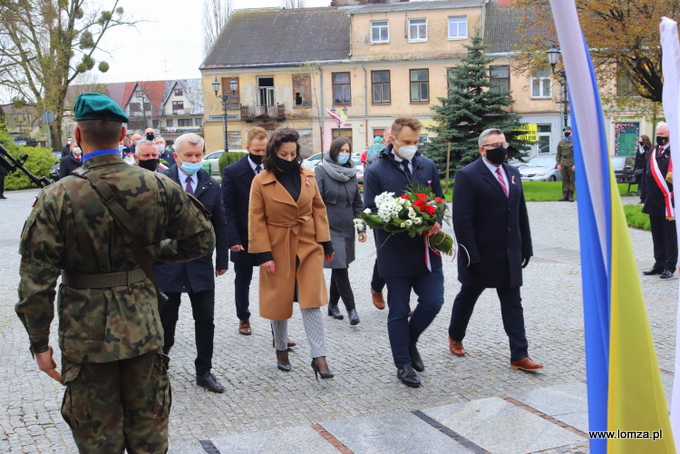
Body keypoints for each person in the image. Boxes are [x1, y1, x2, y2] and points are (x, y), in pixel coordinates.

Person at [15, 92, 216, 452]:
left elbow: (36, 282)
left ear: (78, 137)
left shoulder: (56, 197)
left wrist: (39, 343)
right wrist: (157, 252)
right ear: (123, 135)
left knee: (97, 439)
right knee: (148, 435)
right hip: (143, 325)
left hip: (84, 335)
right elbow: (201, 240)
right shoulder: (158, 185)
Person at [447, 128, 543, 372]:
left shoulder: (512, 173)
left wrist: (526, 246)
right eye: (494, 146)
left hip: (509, 252)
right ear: (482, 149)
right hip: (480, 253)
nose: (500, 149)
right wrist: (470, 254)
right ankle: (455, 335)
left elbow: (520, 212)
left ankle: (519, 354)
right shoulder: (467, 175)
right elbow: (462, 220)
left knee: (513, 302)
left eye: (503, 144)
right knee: (468, 296)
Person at [363, 116, 445, 388]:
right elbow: (370, 212)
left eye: (416, 141)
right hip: (394, 252)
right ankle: (403, 364)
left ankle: (409, 342)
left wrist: (436, 221)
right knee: (399, 310)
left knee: (433, 301)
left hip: (426, 251)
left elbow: (439, 202)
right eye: (407, 142)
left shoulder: (427, 166)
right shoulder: (376, 170)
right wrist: (396, 219)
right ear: (393, 140)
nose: (412, 146)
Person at [248, 128, 335, 379]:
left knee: (311, 300)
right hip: (276, 245)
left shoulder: (308, 175)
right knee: (280, 299)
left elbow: (319, 209)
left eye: (293, 153)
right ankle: (281, 348)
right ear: (274, 152)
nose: (288, 158)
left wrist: (326, 242)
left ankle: (319, 358)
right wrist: (263, 253)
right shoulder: (261, 181)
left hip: (308, 244)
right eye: (283, 154)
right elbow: (256, 218)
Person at [154, 133, 229, 393]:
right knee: (166, 319)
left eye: (198, 155)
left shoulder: (211, 184)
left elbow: (220, 222)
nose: (194, 160)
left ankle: (204, 371)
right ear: (176, 156)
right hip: (168, 264)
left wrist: (222, 258)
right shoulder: (161, 182)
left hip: (200, 263)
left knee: (205, 320)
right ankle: (159, 367)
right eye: (189, 156)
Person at [315, 137, 366, 325]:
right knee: (341, 268)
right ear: (333, 151)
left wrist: (361, 227)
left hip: (348, 229)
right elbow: (316, 203)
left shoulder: (352, 173)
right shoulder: (321, 171)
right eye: (341, 150)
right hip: (329, 229)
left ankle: (332, 305)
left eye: (347, 151)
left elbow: (357, 204)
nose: (344, 154)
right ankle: (352, 309)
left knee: (340, 266)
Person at [223, 127, 267, 335]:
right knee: (243, 279)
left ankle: (278, 327)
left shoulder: (274, 169)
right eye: (257, 151)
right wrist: (232, 238)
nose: (260, 155)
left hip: (269, 235)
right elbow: (227, 208)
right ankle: (244, 317)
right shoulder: (232, 171)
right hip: (242, 235)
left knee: (274, 279)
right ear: (248, 147)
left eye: (264, 151)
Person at [642, 122, 677, 279]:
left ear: (669, 135)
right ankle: (659, 263)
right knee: (656, 234)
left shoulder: (675, 151)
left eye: (663, 135)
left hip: (669, 201)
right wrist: (643, 196)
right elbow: (646, 174)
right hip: (653, 199)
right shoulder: (653, 150)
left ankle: (670, 266)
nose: (660, 137)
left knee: (669, 235)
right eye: (658, 134)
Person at [367, 126, 391, 309]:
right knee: (384, 255)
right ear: (384, 141)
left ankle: (401, 302)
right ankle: (376, 287)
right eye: (390, 138)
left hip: (404, 213)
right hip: (382, 216)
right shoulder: (375, 161)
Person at [556, 125, 575, 202]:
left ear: (571, 131)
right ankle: (565, 195)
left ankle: (571, 195)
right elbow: (558, 154)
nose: (566, 132)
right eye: (565, 131)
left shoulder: (574, 142)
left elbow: (577, 154)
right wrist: (558, 164)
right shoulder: (561, 142)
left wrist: (575, 164)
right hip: (563, 162)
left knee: (571, 179)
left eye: (568, 131)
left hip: (571, 162)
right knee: (565, 179)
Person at [634, 134, 652, 203]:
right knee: (640, 184)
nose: (640, 142)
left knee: (645, 183)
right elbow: (637, 159)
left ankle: (645, 198)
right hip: (639, 169)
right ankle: (641, 198)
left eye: (641, 141)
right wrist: (635, 168)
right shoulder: (639, 149)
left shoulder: (649, 149)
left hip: (645, 169)